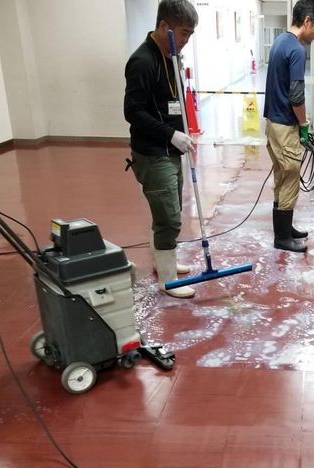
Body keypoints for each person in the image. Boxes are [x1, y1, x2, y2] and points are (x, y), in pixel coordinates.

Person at [124, 0, 198, 298]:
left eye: (190, 34)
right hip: (154, 153)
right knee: (169, 216)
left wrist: (182, 132)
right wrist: (170, 134)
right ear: (164, 27)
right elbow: (133, 111)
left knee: (169, 210)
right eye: (183, 33)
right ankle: (168, 281)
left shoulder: (170, 56)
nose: (186, 40)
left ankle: (163, 260)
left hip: (170, 149)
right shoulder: (143, 61)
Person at [263, 0, 314, 253]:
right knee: (290, 177)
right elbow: (296, 96)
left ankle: (285, 229)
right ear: (307, 21)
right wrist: (304, 124)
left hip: (273, 123)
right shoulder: (297, 50)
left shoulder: (280, 41)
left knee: (282, 176)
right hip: (285, 125)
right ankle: (282, 239)